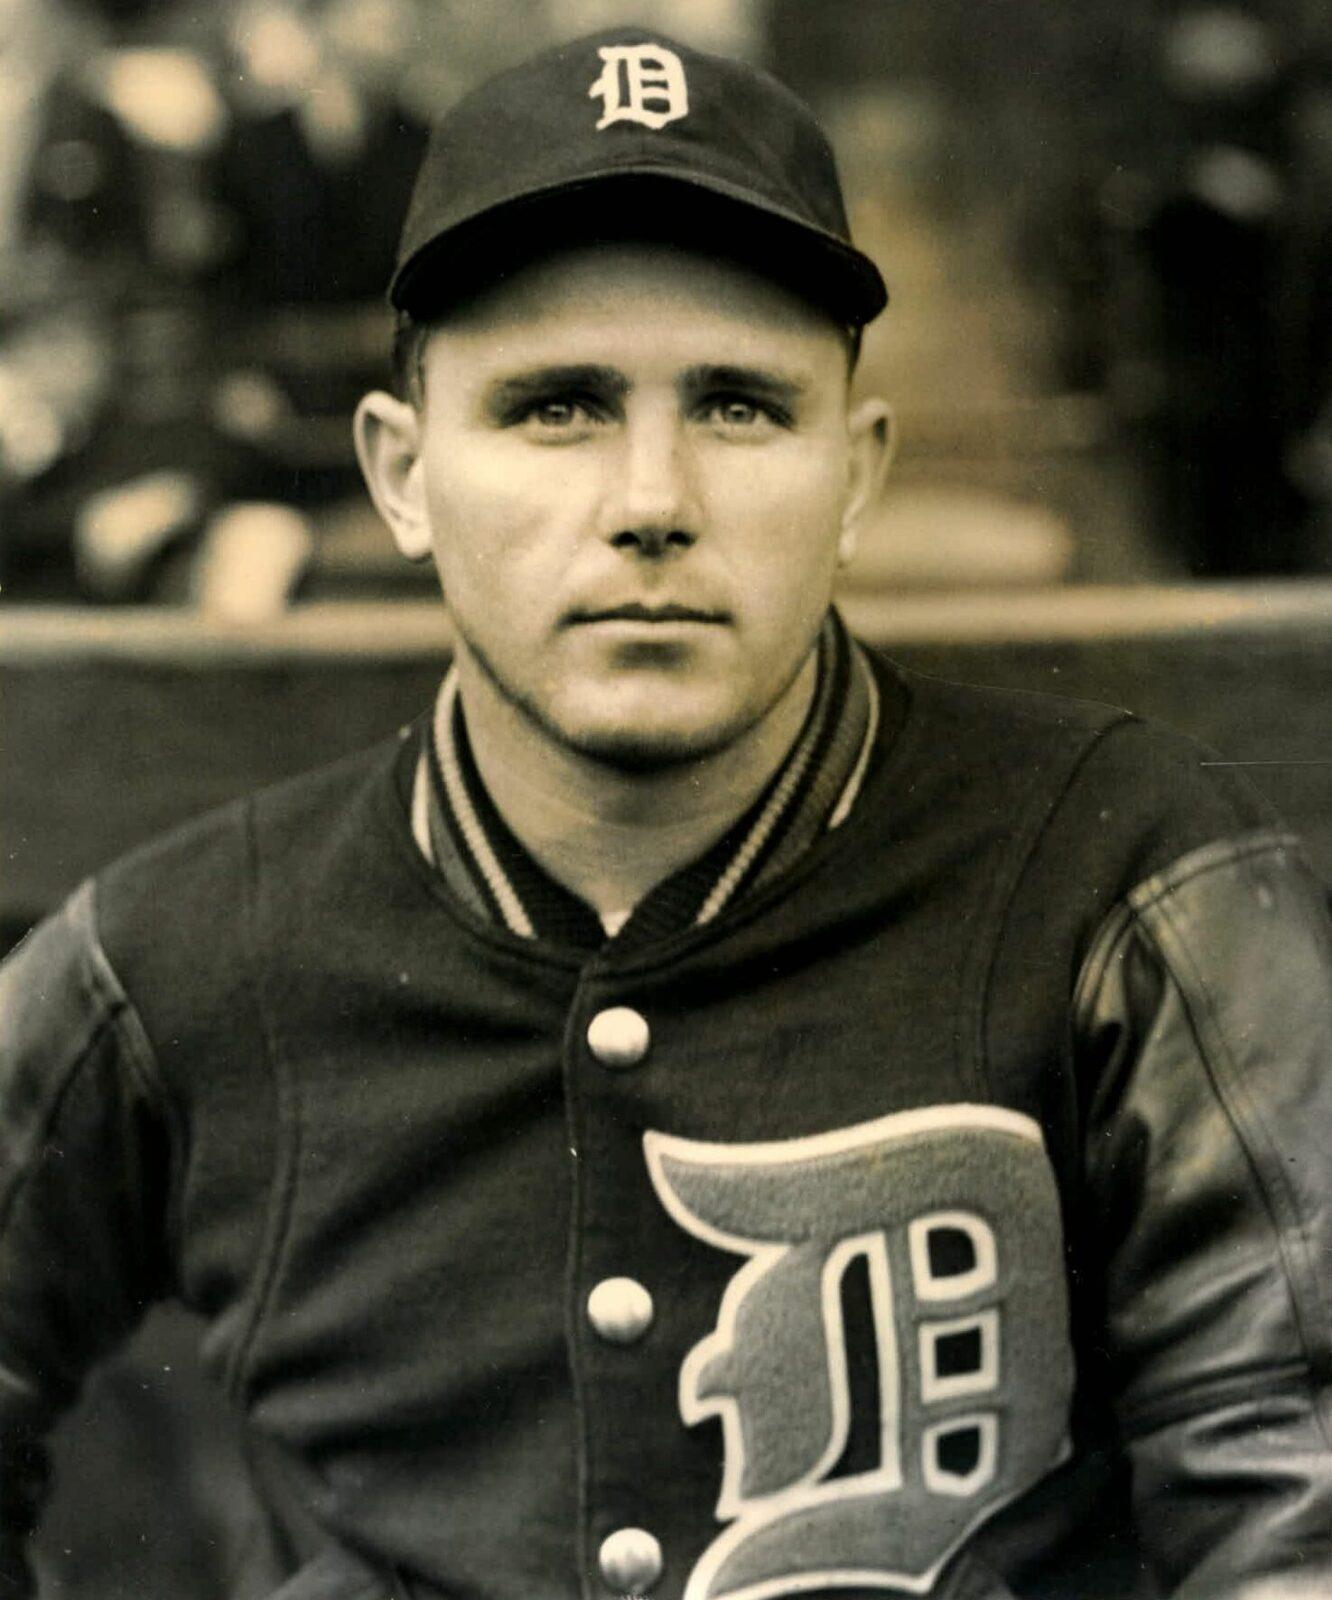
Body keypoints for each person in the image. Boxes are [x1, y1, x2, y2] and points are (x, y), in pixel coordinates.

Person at [4, 26, 1332, 1600]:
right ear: (403, 475)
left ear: (857, 474)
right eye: (555, 407)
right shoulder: (179, 953)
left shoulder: (1128, 883)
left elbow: (1296, 1519)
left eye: (742, 407)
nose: (651, 501)